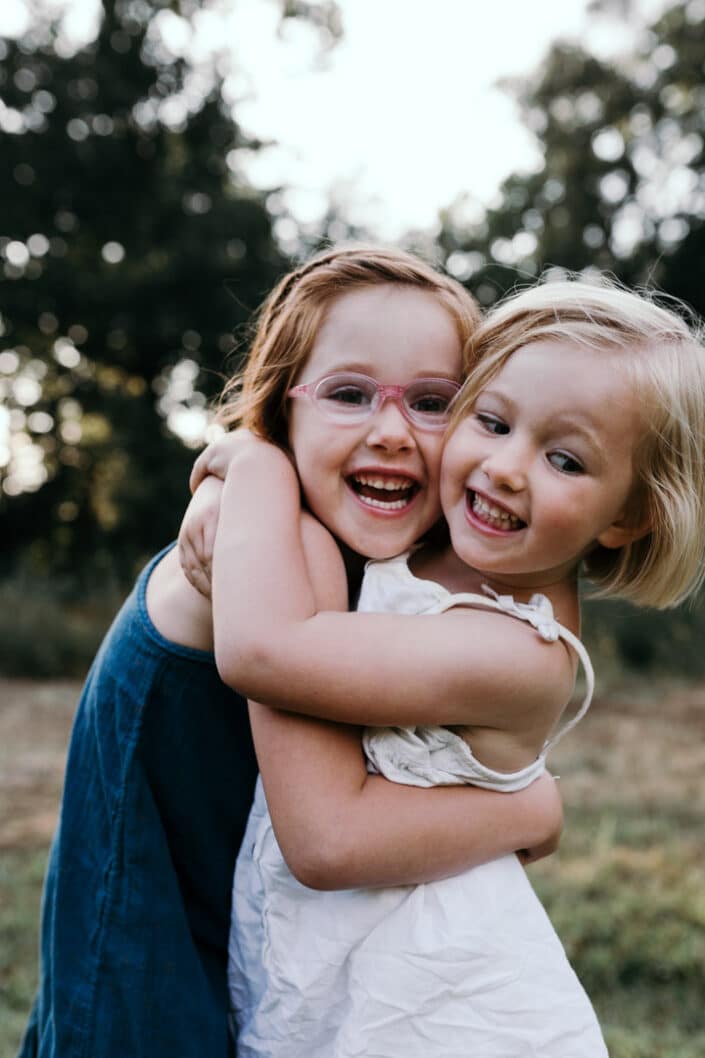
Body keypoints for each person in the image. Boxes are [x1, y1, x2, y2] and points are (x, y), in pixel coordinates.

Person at [18, 246, 564, 1058]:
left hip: (240, 933)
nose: (389, 431)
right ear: (282, 412)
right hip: (149, 943)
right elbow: (329, 838)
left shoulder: (363, 561)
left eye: (432, 402)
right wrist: (530, 808)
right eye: (347, 394)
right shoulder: (283, 541)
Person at [189, 275, 705, 1056]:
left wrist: (255, 463)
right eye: (491, 421)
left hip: (441, 1014)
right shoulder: (432, 551)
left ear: (627, 515)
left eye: (564, 460)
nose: (504, 467)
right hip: (339, 982)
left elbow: (265, 649)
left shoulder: (515, 651)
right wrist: (227, 468)